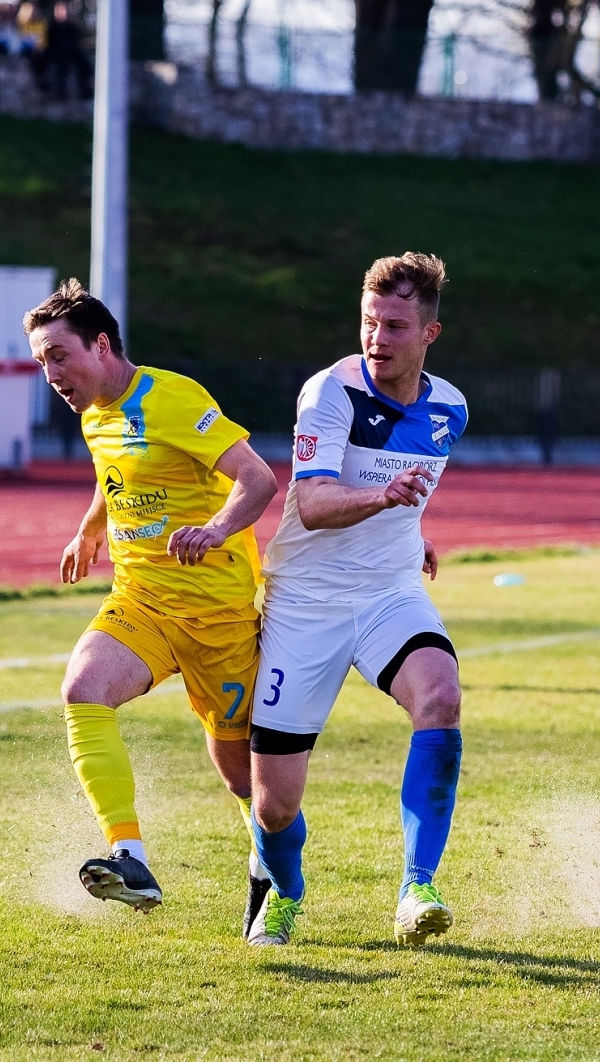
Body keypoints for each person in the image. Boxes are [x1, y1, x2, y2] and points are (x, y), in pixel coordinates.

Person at [26, 280, 279, 915]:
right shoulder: (92, 413)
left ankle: (270, 872)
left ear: (100, 344)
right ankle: (129, 855)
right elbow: (111, 473)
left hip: (218, 614)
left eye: (58, 356)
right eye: (41, 361)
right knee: (83, 689)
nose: (50, 374)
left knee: (242, 776)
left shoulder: (172, 398)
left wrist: (216, 529)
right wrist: (90, 529)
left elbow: (258, 479)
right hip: (141, 599)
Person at [244, 252, 467, 947]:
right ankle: (284, 890)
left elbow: (405, 492)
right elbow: (312, 505)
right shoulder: (330, 393)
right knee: (274, 806)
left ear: (429, 333)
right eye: (370, 322)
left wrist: (413, 530)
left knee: (441, 696)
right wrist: (383, 499)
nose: (377, 338)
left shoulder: (451, 407)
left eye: (395, 326)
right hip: (305, 603)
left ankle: (417, 887)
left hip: (388, 594)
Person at [42, 1, 91, 100]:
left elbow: (76, 42)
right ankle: (61, 93)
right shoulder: (52, 26)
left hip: (71, 52)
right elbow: (48, 42)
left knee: (84, 63)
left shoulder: (71, 26)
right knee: (60, 67)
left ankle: (85, 90)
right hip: (56, 53)